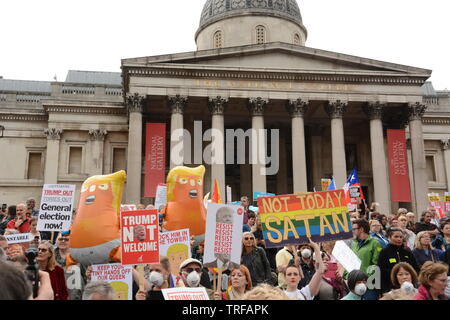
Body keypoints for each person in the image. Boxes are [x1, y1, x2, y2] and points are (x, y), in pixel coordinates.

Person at [378, 227, 420, 293]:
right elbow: (381, 271)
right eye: (396, 237)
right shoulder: (384, 252)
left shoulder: (407, 252)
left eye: (401, 237)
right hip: (390, 287)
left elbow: (416, 268)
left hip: (409, 287)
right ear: (389, 237)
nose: (399, 239)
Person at [350, 218, 382, 300]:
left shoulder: (375, 243)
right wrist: (347, 276)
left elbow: (376, 264)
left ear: (361, 229)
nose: (352, 231)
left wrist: (366, 280)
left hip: (369, 286)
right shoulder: (354, 244)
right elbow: (351, 262)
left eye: (354, 229)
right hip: (354, 285)